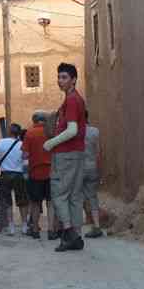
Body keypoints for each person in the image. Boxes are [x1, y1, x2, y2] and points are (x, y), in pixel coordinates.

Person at [43, 63, 87, 252]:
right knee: (74, 197)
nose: (60, 81)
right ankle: (76, 236)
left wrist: (51, 143)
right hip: (77, 153)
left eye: (64, 77)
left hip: (65, 154)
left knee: (58, 195)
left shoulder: (71, 100)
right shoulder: (77, 99)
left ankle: (68, 233)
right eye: (59, 77)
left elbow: (72, 129)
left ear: (73, 80)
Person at [0, 123, 29, 235]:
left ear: (9, 132)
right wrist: (26, 175)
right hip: (19, 175)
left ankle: (11, 226)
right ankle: (24, 226)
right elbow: (26, 162)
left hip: (5, 174)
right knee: (22, 201)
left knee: (7, 201)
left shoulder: (1, 142)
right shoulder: (22, 144)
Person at [22, 112, 53, 239]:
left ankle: (35, 230)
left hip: (35, 173)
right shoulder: (51, 132)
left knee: (35, 203)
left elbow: (25, 155)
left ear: (34, 121)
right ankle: (51, 230)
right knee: (51, 203)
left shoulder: (29, 133)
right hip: (51, 172)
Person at [82, 111, 104, 238]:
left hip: (78, 168)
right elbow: (99, 153)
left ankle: (74, 228)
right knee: (92, 197)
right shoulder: (95, 131)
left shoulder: (74, 132)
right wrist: (100, 171)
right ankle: (96, 225)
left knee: (76, 197)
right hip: (92, 167)